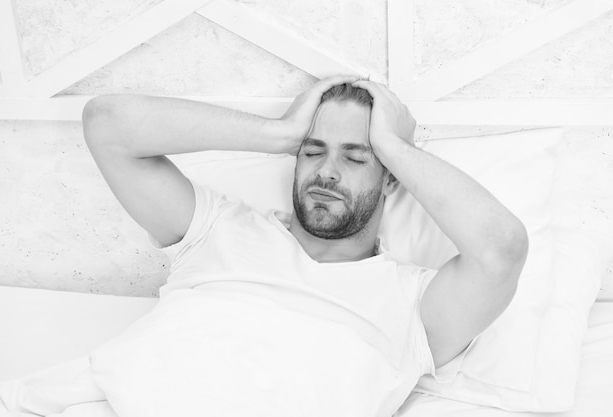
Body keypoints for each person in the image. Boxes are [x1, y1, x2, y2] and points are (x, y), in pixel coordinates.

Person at [82, 75, 528, 416]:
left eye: (356, 157)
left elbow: (501, 249)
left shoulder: (413, 304)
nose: (328, 172)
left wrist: (392, 144)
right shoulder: (215, 227)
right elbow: (107, 123)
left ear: (393, 175)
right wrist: (280, 133)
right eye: (313, 152)